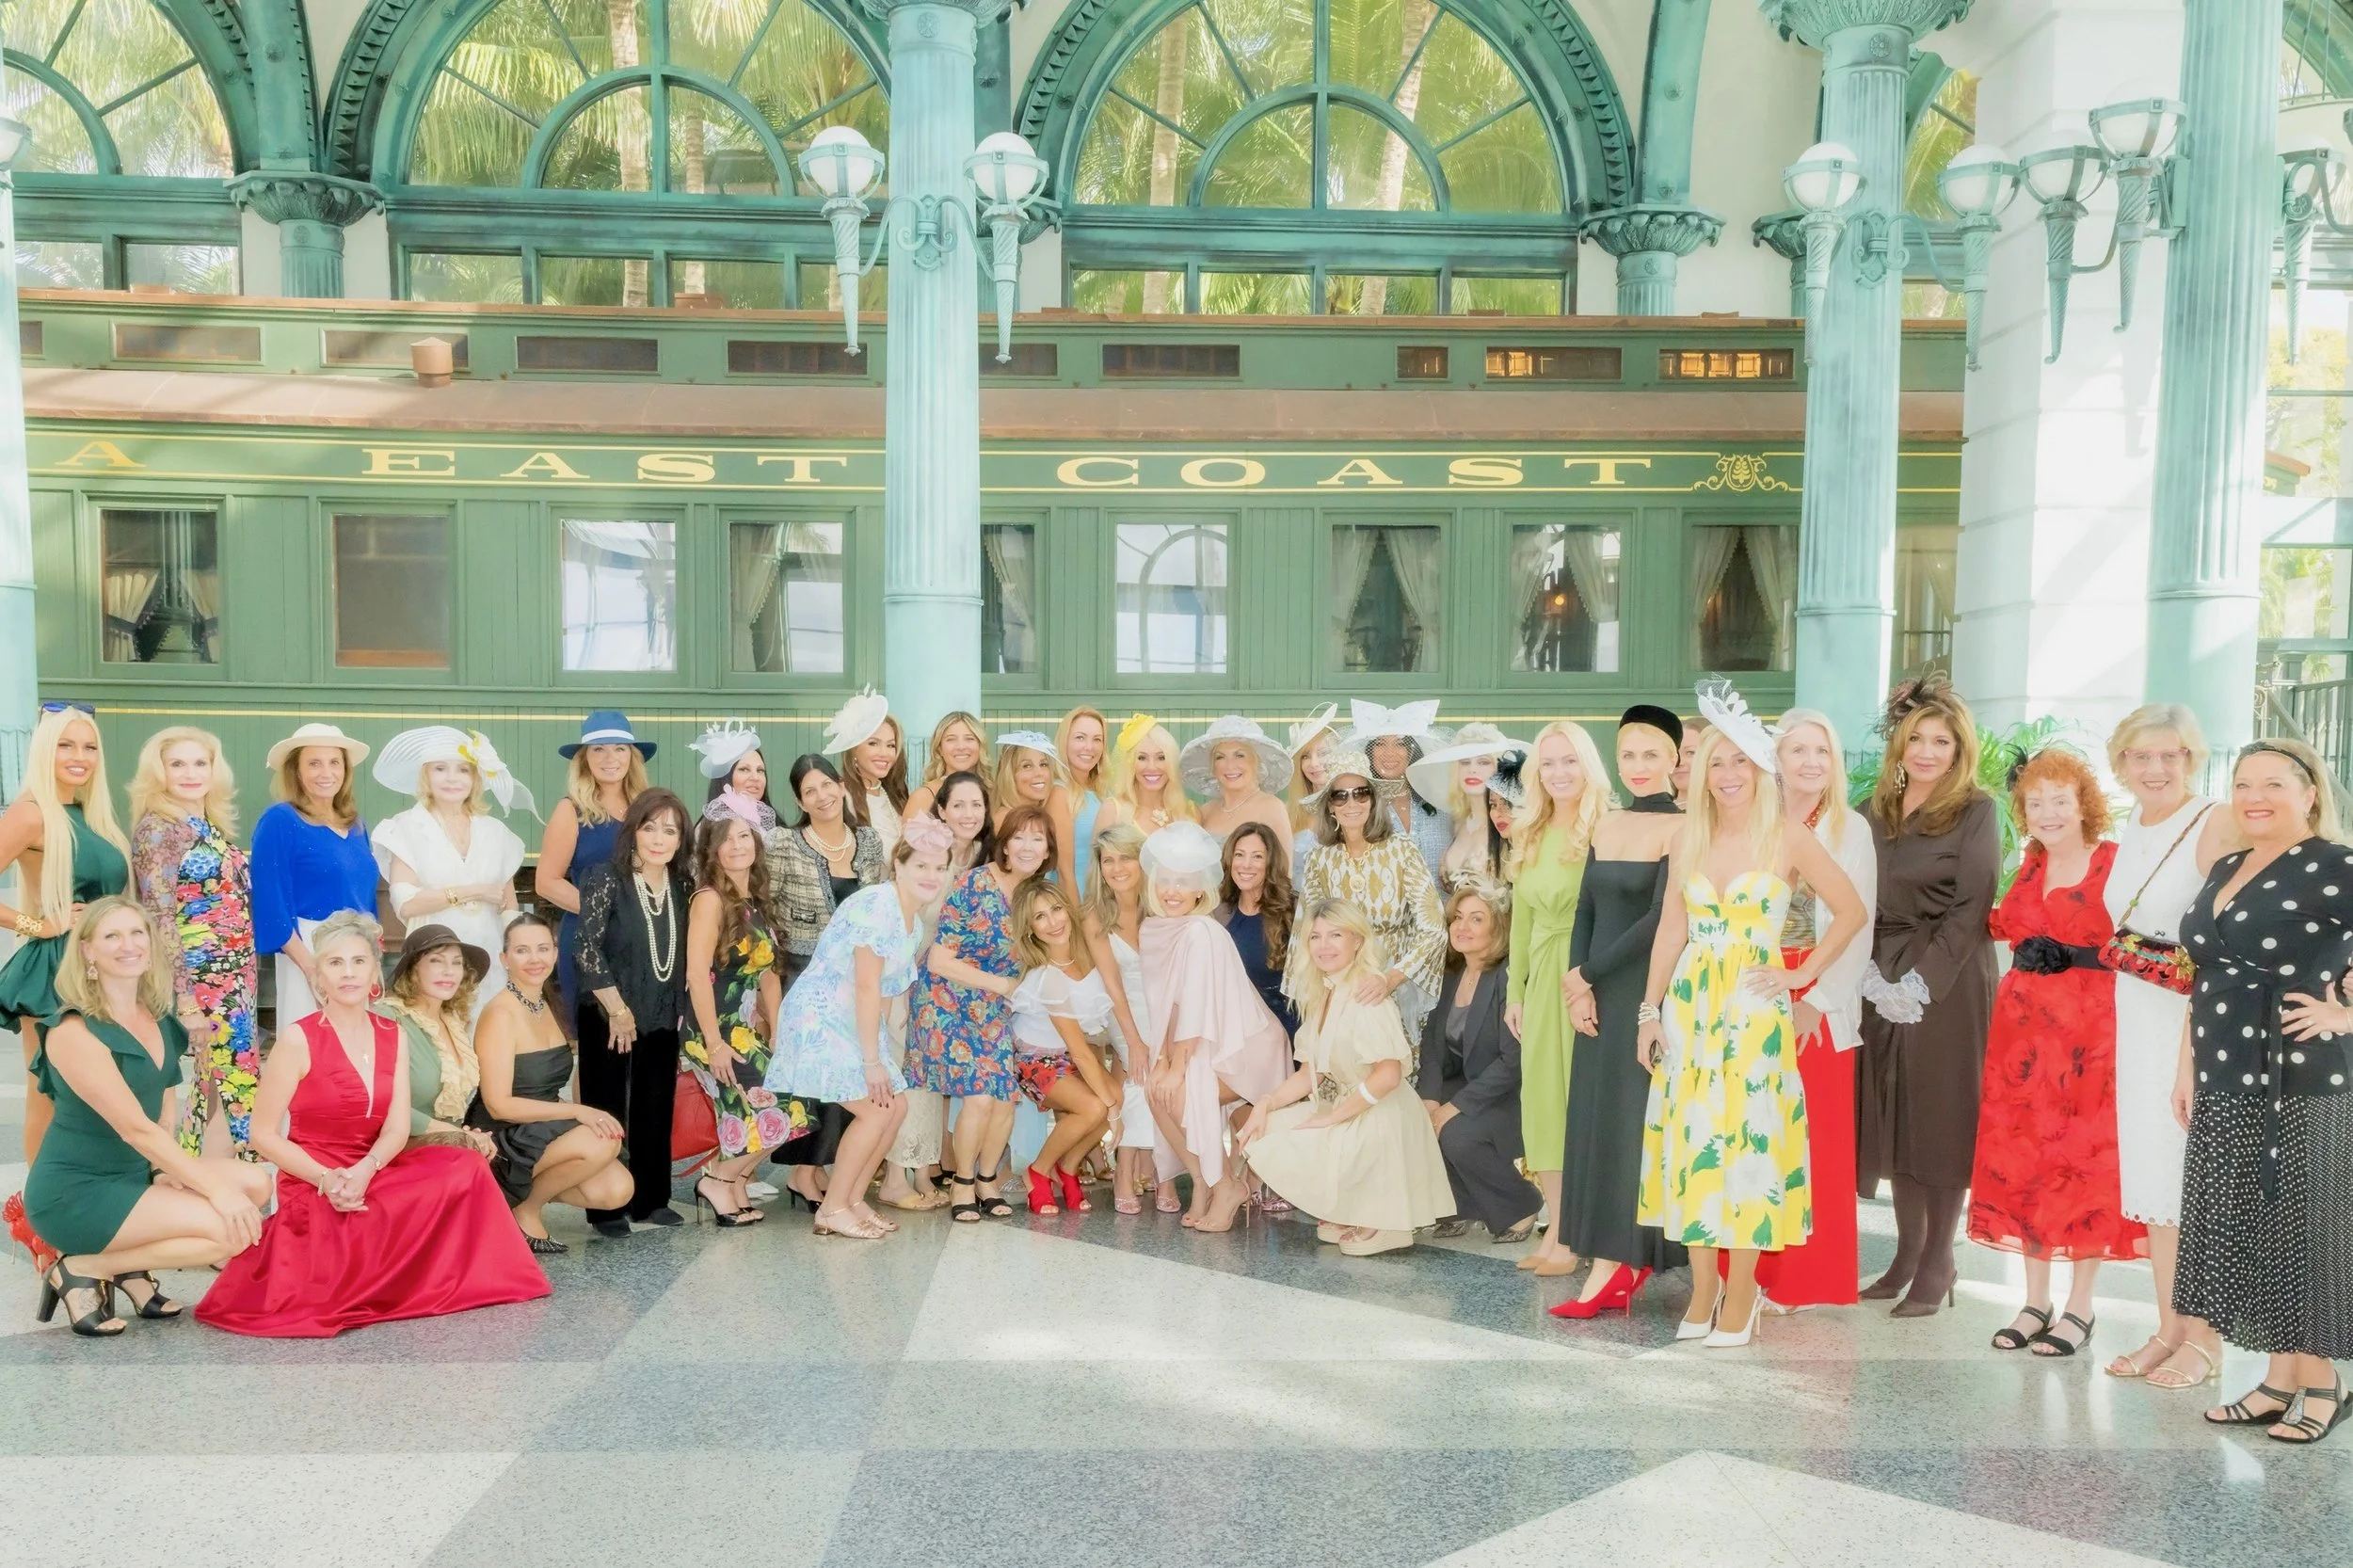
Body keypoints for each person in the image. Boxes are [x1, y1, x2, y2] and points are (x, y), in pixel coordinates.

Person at [1634, 696, 1865, 1348]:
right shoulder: (1688, 837)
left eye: (1741, 760)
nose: (1729, 773)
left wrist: (1800, 975)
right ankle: (1703, 1287)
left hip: (1754, 1013)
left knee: (1748, 1149)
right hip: (1691, 1010)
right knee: (1695, 1146)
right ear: (1702, 770)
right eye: (1716, 762)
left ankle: (1743, 1290)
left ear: (1761, 769)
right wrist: (1649, 1015)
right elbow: (1670, 932)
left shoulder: (1788, 837)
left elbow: (1850, 911)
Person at [198, 911, 550, 1336]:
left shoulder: (391, 1033)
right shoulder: (298, 1038)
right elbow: (263, 1135)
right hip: (315, 1175)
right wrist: (328, 1179)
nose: (348, 974)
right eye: (335, 963)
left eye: (358, 962)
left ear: (373, 973)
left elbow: (396, 1129)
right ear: (319, 977)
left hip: (375, 1166)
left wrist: (366, 1169)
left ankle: (448, 1282)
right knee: (332, 1261)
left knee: (467, 1166)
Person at [2172, 738, 2353, 1442]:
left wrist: (2343, 1014)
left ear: (2310, 793)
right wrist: (2185, 1065)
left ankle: (2323, 1382)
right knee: (2256, 1224)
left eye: (2274, 784)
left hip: (2302, 1074)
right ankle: (2280, 1378)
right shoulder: (2229, 865)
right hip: (2225, 1068)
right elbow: (2205, 973)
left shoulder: (2335, 866)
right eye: (2244, 783)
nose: (2255, 796)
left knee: (2302, 1225)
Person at [23, 898, 269, 1336]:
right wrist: (212, 1190)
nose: (128, 945)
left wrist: (163, 1171)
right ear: (87, 951)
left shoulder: (155, 1018)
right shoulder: (72, 1031)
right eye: (111, 936)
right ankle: (82, 1266)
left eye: (137, 933)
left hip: (135, 1173)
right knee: (228, 1230)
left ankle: (126, 1269)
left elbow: (162, 1117)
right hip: (77, 1192)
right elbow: (134, 1128)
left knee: (256, 1183)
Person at [1972, 746, 2142, 1357]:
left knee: (2084, 1165)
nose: (2047, 812)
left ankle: (2080, 1307)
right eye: (2035, 802)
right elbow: (2002, 925)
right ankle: (2034, 1300)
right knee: (2026, 1163)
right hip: (2020, 1036)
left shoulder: (2115, 863)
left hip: (2090, 1037)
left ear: (2084, 804)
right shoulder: (2027, 865)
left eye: (2060, 800)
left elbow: (2143, 944)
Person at [1857, 677, 2001, 1319]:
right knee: (1896, 1120)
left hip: (1947, 982)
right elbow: (1853, 896)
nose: (1926, 750)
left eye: (1940, 741)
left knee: (1939, 1122)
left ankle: (1939, 1261)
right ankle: (1905, 1253)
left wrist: (1920, 983)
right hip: (1877, 975)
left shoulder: (1977, 810)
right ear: (1900, 744)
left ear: (1958, 749)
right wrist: (1868, 976)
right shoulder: (1873, 811)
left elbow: (1972, 909)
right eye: (1917, 738)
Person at [2099, 704, 2230, 1387]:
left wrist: (2194, 1048)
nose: (2155, 769)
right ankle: (2169, 1327)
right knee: (2155, 1184)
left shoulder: (2212, 820)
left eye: (2170, 756)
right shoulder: (2133, 823)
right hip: (2137, 1018)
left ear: (2192, 759)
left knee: (2192, 1181)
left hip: (2190, 1023)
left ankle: (2206, 1343)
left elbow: (2227, 936)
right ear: (2121, 763)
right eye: (2141, 757)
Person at [1549, 709, 1685, 1290]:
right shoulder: (1605, 822)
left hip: (1644, 989)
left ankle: (1625, 1261)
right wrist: (1578, 981)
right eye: (1628, 755)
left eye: (1651, 754)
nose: (1638, 767)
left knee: (1635, 1124)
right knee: (1597, 1122)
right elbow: (1586, 907)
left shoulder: (1683, 827)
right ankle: (1604, 1255)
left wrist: (1588, 975)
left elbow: (1661, 919)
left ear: (1676, 759)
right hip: (1596, 988)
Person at [768, 815, 952, 1239]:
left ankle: (852, 1200)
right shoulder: (876, 906)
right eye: (921, 865)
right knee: (874, 1111)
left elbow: (885, 994)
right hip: (823, 1017)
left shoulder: (913, 922)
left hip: (854, 1023)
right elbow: (867, 985)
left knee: (897, 1106)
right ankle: (832, 1208)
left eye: (939, 867)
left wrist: (882, 1056)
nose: (931, 875)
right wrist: (872, 1062)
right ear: (899, 865)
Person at [1752, 708, 1878, 1311]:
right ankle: (1753, 1273)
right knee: (1758, 1134)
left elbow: (1860, 924)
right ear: (1775, 760)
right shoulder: (1754, 822)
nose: (1810, 762)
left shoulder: (1850, 829)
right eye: (1797, 750)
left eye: (1822, 752)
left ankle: (1806, 1279)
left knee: (1813, 1141)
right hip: (1754, 985)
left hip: (1817, 992)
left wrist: (1819, 1004)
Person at [1242, 899, 1450, 1256]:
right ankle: (1353, 1207)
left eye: (1335, 935)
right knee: (1270, 1128)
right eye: (1316, 937)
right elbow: (1311, 1071)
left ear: (1357, 941)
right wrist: (1265, 1102)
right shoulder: (1324, 992)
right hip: (1348, 1105)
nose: (1324, 946)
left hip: (1382, 1112)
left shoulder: (1367, 993)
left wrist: (1333, 1119)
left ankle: (1387, 1219)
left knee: (1313, 1130)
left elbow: (1388, 1076)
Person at [1137, 822, 1290, 1230]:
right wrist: (1163, 1060)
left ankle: (1227, 1185)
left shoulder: (1200, 932)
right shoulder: (1156, 929)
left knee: (1181, 1092)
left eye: (1183, 882)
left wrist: (1177, 1064)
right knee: (1155, 1091)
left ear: (1200, 890)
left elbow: (1198, 1007)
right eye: (1165, 880)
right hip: (1206, 1042)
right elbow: (1168, 1006)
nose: (1172, 891)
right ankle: (1207, 1179)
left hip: (1249, 1047)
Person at [909, 803, 1055, 1221]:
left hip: (994, 1009)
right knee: (978, 1097)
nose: (1027, 846)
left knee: (1004, 1100)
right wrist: (1005, 987)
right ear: (1005, 845)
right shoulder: (975, 883)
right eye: (1019, 837)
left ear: (1047, 851)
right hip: (948, 1000)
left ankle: (988, 1179)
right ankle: (963, 1181)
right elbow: (938, 960)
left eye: (1037, 838)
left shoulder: (1038, 896)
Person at [1503, 718, 1611, 1277]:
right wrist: (1515, 990)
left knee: (1577, 1103)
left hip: (1585, 977)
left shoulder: (1604, 829)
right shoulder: (1529, 831)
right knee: (1541, 1104)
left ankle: (1577, 1235)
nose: (1559, 772)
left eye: (1570, 760)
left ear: (1588, 767)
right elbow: (1521, 918)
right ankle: (1557, 1227)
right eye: (1548, 762)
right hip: (1541, 977)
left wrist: (1588, 979)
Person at [125, 726, 257, 1157]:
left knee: (218, 1085)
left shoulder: (204, 823)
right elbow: (160, 917)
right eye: (177, 763)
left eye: (200, 762)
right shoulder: (158, 830)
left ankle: (209, 1183)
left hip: (235, 977)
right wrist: (185, 1000)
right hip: (203, 980)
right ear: (158, 771)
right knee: (224, 1084)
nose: (190, 772)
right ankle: (217, 1186)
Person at [472, 913, 633, 1252]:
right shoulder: (500, 1013)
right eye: (522, 951)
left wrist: (578, 1113)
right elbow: (498, 1104)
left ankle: (506, 1201)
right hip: (503, 1131)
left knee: (617, 1190)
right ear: (504, 958)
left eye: (543, 949)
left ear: (556, 953)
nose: (535, 959)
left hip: (540, 1124)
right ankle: (526, 1210)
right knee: (602, 1143)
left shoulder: (549, 1003)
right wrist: (579, 1112)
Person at [573, 790, 694, 1236]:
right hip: (609, 1013)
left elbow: (682, 958)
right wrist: (619, 1010)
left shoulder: (683, 886)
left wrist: (681, 1009)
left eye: (670, 830)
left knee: (655, 1106)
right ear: (633, 832)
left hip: (661, 1012)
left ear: (681, 839)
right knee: (607, 1108)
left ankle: (650, 1200)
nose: (659, 839)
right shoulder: (605, 876)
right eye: (650, 827)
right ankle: (603, 1208)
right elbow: (586, 950)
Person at [679, 792, 796, 1226]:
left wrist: (779, 1030)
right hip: (711, 1028)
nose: (737, 846)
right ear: (712, 850)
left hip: (744, 1029)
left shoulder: (757, 902)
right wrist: (713, 1043)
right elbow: (695, 975)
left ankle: (734, 1180)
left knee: (794, 1104)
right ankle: (717, 1180)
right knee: (774, 1106)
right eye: (726, 840)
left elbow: (767, 974)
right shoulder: (709, 899)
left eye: (744, 836)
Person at [879, 770, 996, 1205]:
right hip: (910, 976)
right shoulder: (928, 852)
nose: (968, 814)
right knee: (906, 1078)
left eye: (977, 805)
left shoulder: (988, 857)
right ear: (942, 810)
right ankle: (894, 1180)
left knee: (929, 1081)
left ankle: (923, 1173)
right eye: (959, 805)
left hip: (959, 987)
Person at [369, 727, 530, 1010]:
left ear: (475, 778)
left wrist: (516, 960)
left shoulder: (496, 832)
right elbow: (406, 904)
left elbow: (509, 909)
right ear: (425, 776)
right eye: (440, 769)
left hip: (489, 958)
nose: (452, 778)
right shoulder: (406, 827)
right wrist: (473, 891)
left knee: (488, 1041)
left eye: (463, 770)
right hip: (434, 958)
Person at [1418, 882, 1540, 1244]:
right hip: (1471, 1086)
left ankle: (1521, 1204)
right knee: (1416, 1119)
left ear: (1498, 927)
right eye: (1457, 918)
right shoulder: (1453, 975)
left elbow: (1513, 1060)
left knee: (1456, 1136)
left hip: (1510, 1095)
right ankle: (1463, 1207)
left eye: (1476, 919)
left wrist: (1453, 1107)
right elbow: (1434, 1048)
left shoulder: (1508, 979)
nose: (1462, 927)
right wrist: (1429, 1100)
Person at [1297, 748, 1446, 1040]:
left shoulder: (1403, 852)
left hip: (1394, 991)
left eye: (1361, 793)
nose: (1351, 802)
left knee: (1388, 1079)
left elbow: (1434, 929)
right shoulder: (1319, 861)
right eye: (1340, 795)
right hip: (1338, 992)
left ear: (1373, 800)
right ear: (1330, 806)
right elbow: (1308, 933)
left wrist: (1390, 979)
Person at [1007, 881, 1123, 1213]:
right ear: (1030, 930)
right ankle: (1038, 1170)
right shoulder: (1048, 977)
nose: (1054, 922)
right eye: (1040, 917)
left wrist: (1115, 1103)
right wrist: (1114, 1114)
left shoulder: (1085, 957)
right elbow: (1082, 1051)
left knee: (1116, 1093)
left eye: (1056, 909)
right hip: (1034, 1061)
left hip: (1065, 1056)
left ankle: (1068, 1166)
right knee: (1096, 1106)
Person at [535, 711, 652, 1012]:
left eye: (619, 748)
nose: (609, 757)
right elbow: (546, 882)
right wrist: (606, 914)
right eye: (598, 749)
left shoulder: (648, 809)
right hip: (591, 944)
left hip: (642, 942)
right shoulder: (570, 810)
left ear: (632, 756)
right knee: (601, 1045)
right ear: (584, 758)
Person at [1088, 822, 1160, 1214]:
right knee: (1138, 1071)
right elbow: (1114, 985)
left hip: (1163, 1008)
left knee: (1162, 1072)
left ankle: (1158, 1167)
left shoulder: (1162, 906)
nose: (1116, 868)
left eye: (1126, 858)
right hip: (1121, 1011)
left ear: (1142, 861)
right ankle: (1125, 1169)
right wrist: (1132, 1041)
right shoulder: (1094, 916)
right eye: (1107, 860)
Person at [378, 923, 494, 1155]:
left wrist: (468, 1137)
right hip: (396, 1146)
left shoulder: (454, 1021)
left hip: (449, 1145)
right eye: (436, 961)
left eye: (457, 962)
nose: (449, 971)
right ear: (413, 970)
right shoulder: (388, 1018)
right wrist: (459, 1137)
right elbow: (378, 1103)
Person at [770, 755, 888, 984]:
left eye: (827, 785)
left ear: (841, 787)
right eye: (810, 791)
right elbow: (764, 912)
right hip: (800, 975)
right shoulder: (784, 844)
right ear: (801, 802)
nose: (822, 796)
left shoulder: (869, 841)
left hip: (857, 974)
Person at [1407, 723, 1528, 894]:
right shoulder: (1454, 822)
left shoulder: (1509, 821)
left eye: (1483, 762)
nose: (1472, 769)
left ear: (1499, 767)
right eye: (1465, 762)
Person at [1343, 698, 1449, 875]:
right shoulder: (1357, 807)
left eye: (1399, 744)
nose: (1389, 753)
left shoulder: (1440, 802)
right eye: (1380, 744)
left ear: (1411, 751)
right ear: (1369, 751)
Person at [1214, 822, 1299, 1036]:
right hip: (1235, 1027)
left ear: (1270, 862)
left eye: (1257, 856)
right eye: (1239, 855)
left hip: (1286, 1026)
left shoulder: (1293, 909)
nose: (1246, 864)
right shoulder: (1217, 911)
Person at [1186, 715, 1296, 846]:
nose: (1230, 766)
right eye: (1220, 757)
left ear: (1256, 761)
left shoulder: (1272, 808)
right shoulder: (1206, 811)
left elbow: (1284, 865)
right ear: (1213, 766)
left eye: (1239, 755)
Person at [827, 688, 909, 856]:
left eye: (891, 745)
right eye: (873, 743)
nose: (884, 753)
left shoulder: (897, 796)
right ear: (854, 749)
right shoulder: (841, 795)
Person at [1102, 714, 1196, 832]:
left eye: (1161, 757)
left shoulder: (1188, 813)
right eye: (1142, 758)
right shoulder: (1113, 811)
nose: (1152, 767)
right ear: (1130, 764)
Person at [991, 730, 1073, 855]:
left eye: (1044, 764)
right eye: (1027, 766)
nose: (1039, 773)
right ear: (1010, 774)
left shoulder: (1042, 813)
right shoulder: (1005, 818)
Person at [1057, 706, 1112, 890]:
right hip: (1073, 901)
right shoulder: (1059, 793)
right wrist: (1076, 917)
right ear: (1065, 741)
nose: (1089, 747)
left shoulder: (1102, 793)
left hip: (1102, 903)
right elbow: (1065, 873)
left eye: (1097, 739)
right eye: (1080, 737)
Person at [1286, 704, 1341, 872]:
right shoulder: (1288, 812)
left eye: (1323, 753)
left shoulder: (1356, 807)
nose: (1314, 763)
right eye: (1305, 756)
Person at [904, 710, 987, 820]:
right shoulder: (924, 796)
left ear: (980, 746)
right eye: (951, 739)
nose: (961, 747)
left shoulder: (993, 793)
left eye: (969, 739)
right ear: (939, 749)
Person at [691, 719, 772, 814]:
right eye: (744, 769)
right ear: (725, 776)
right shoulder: (708, 828)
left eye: (760, 770)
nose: (755, 777)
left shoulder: (778, 827)